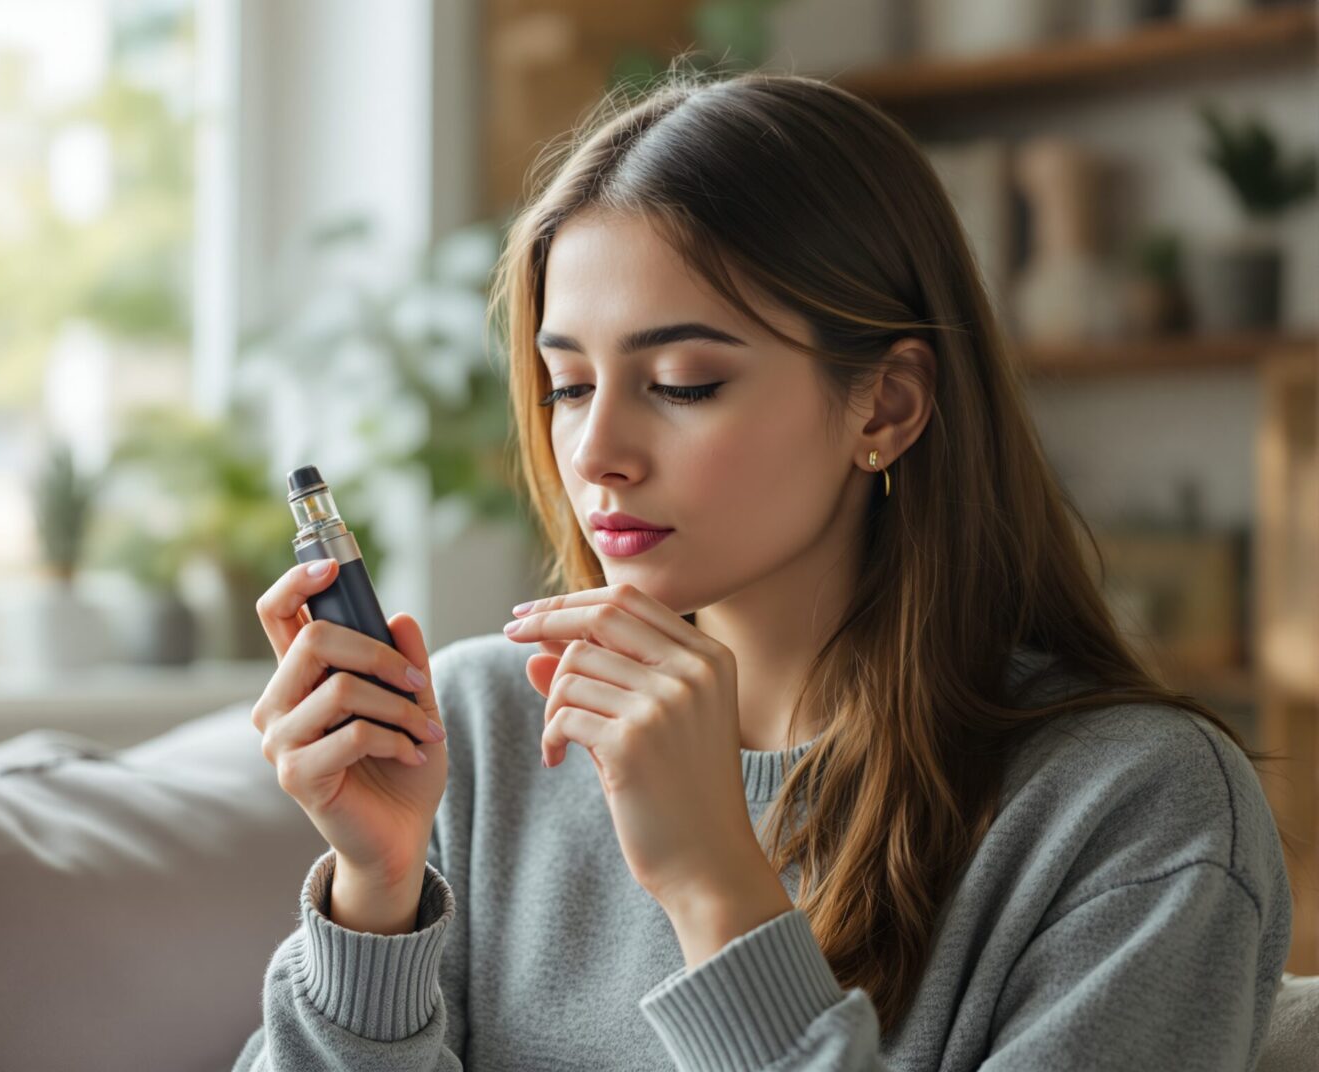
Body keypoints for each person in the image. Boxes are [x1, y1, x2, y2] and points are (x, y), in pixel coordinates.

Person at [231, 68, 1292, 1071]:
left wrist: (713, 888)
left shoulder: (1137, 811)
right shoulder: (477, 727)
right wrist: (376, 895)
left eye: (683, 381)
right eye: (565, 386)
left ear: (886, 405)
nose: (596, 451)